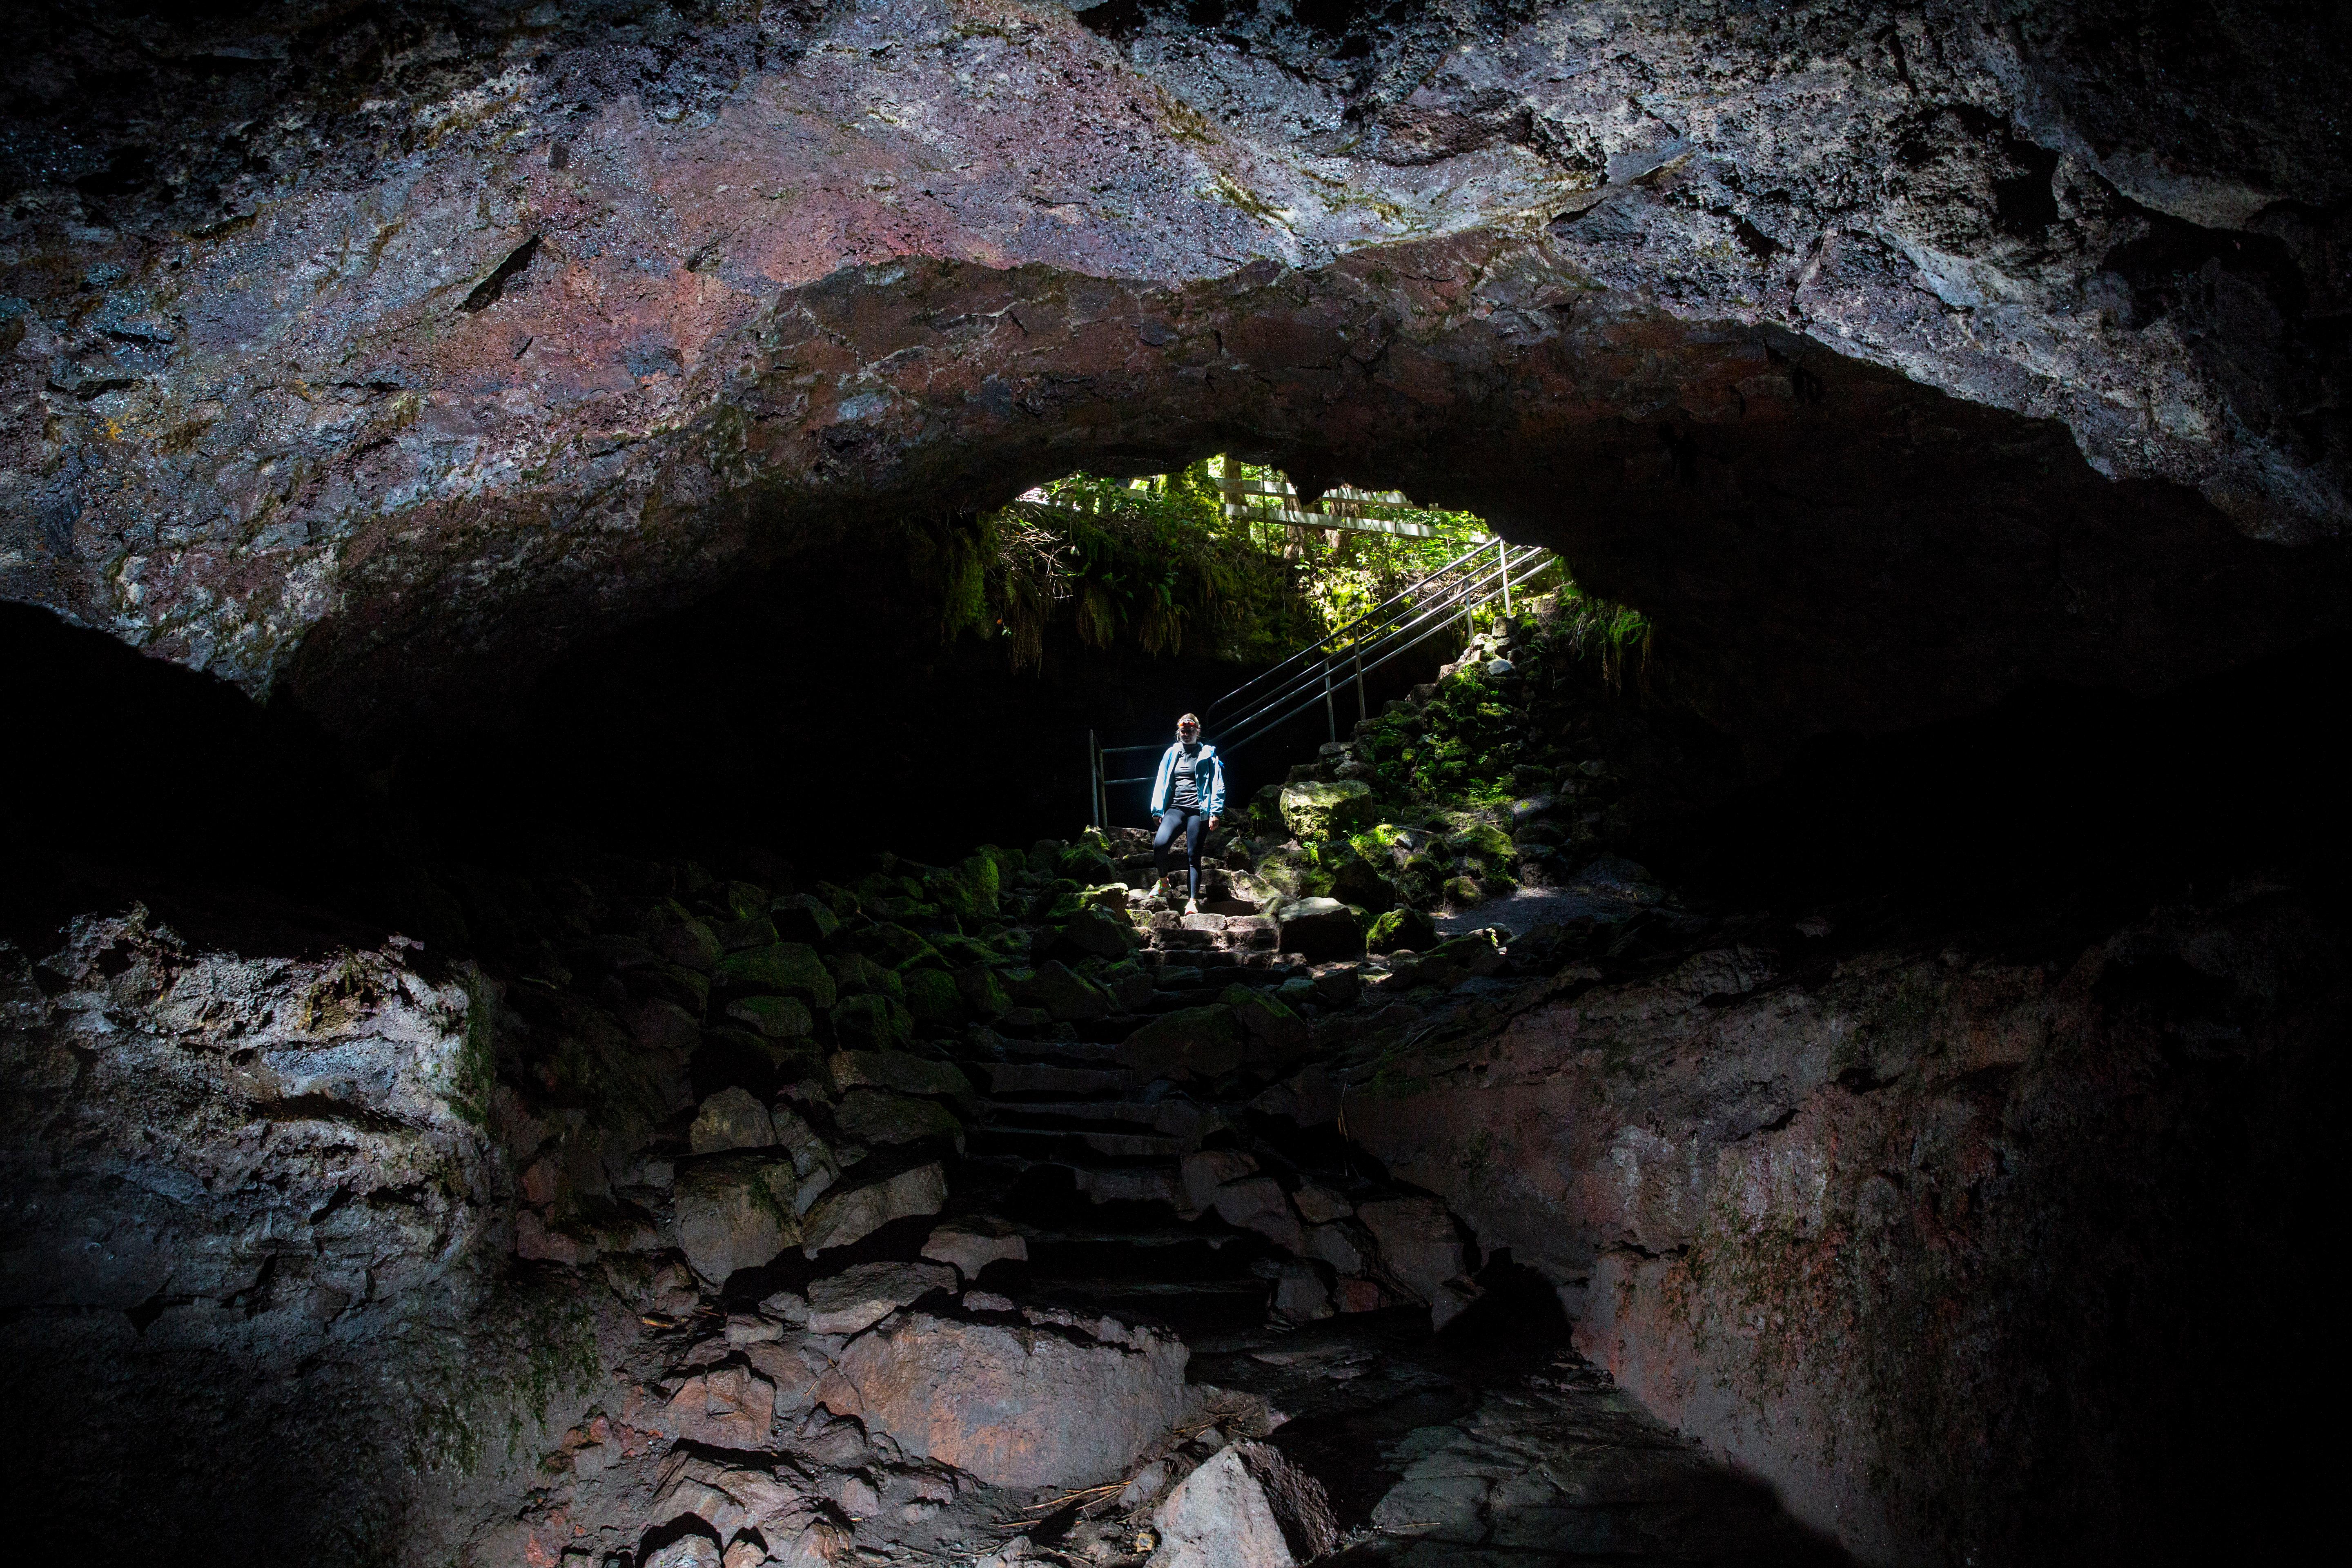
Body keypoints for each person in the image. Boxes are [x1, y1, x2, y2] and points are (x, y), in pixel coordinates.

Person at [1148, 713, 1226, 915]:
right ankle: (1164, 882)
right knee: (1160, 844)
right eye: (1183, 731)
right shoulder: (1172, 753)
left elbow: (1218, 783)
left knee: (1193, 855)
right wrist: (1157, 809)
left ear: (1198, 731)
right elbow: (1162, 780)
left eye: (1191, 730)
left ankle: (1192, 901)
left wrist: (1215, 812)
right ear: (1179, 732)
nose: (1187, 734)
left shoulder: (1208, 754)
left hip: (1198, 811)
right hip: (1176, 808)